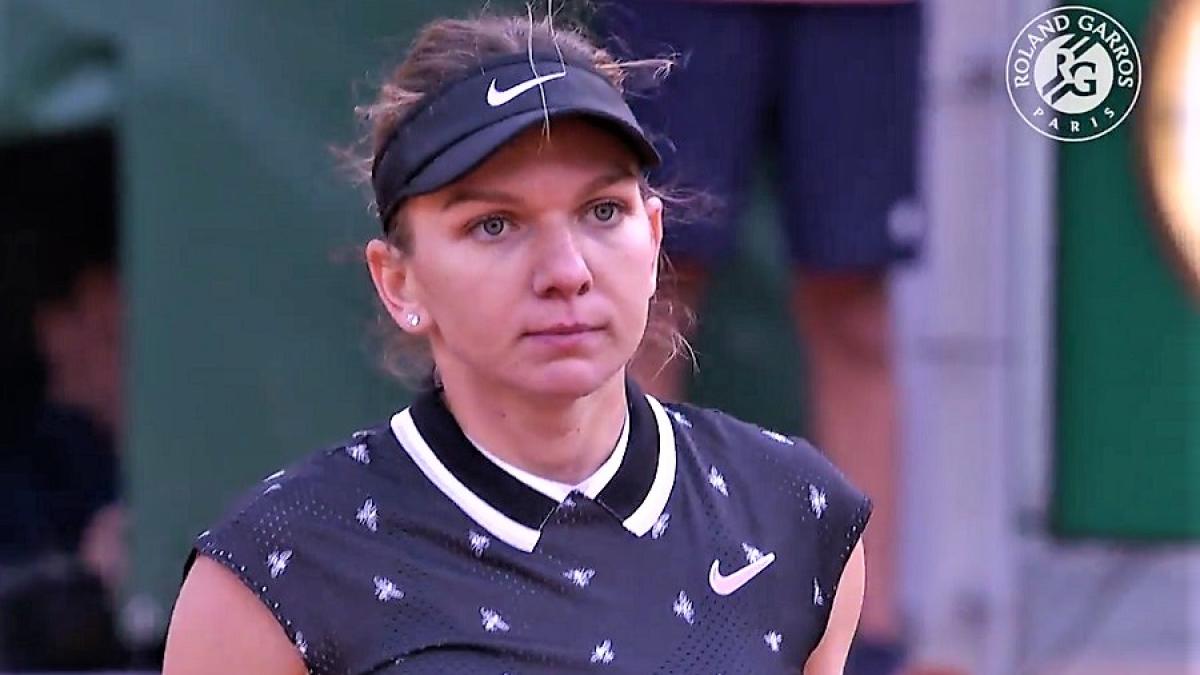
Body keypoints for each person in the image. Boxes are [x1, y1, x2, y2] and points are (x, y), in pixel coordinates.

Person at [164, 12, 872, 674]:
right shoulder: (278, 571)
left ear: (654, 237)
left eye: (603, 211)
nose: (566, 271)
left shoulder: (795, 513)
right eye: (494, 225)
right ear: (399, 281)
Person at [596, 3, 923, 673]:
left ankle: (863, 646)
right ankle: (633, 621)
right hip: (683, 15)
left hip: (857, 17)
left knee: (856, 305)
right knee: (651, 286)